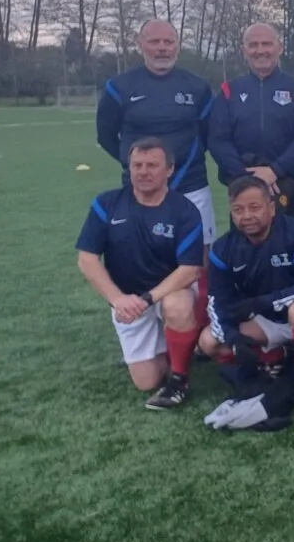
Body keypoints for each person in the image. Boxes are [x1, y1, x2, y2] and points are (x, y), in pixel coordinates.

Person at [97, 19, 214, 329]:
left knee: (199, 260)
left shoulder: (197, 87)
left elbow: (208, 134)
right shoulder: (119, 87)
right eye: (154, 42)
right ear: (140, 45)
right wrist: (140, 169)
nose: (162, 48)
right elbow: (106, 136)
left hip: (191, 185)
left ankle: (201, 330)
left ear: (177, 46)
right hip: (140, 192)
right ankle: (144, 325)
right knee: (140, 257)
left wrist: (175, 170)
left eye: (168, 42)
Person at [75, 137, 204, 410]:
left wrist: (147, 299)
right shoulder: (106, 204)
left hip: (167, 292)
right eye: (137, 165)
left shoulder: (185, 210)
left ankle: (179, 379)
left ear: (169, 169)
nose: (143, 172)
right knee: (147, 381)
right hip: (127, 301)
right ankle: (177, 344)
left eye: (152, 165)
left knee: (178, 305)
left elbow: (189, 270)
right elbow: (87, 259)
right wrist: (118, 299)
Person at [198, 175, 294, 404]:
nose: (246, 216)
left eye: (254, 207)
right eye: (238, 210)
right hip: (268, 318)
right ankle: (276, 357)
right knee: (209, 341)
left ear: (272, 208)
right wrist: (233, 337)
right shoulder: (223, 248)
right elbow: (216, 302)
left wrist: (263, 303)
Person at [208, 22, 294, 221]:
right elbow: (218, 140)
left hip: (291, 186)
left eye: (267, 44)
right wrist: (246, 176)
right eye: (253, 45)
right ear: (244, 50)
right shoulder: (229, 91)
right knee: (248, 239)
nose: (260, 51)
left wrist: (275, 170)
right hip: (243, 187)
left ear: (279, 47)